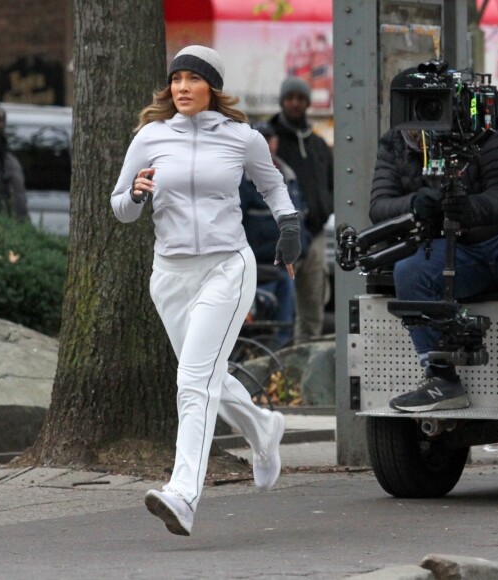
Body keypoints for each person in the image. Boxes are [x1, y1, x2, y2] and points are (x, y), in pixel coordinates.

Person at [110, 45, 301, 536]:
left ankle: (183, 494)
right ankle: (263, 429)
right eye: (176, 80)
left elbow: (272, 184)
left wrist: (289, 225)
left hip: (226, 268)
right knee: (205, 376)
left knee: (193, 382)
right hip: (170, 275)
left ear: (211, 88)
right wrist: (134, 192)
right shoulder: (151, 136)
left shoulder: (241, 138)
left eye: (193, 79)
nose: (182, 88)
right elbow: (120, 207)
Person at [369, 66, 498, 416]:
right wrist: (415, 206)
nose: (425, 121)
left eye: (435, 105)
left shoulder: (493, 130)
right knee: (410, 272)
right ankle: (441, 379)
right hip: (458, 252)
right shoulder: (394, 144)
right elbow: (379, 206)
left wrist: (466, 208)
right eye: (416, 108)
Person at [270, 77, 333, 340]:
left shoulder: (317, 144)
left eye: (300, 98)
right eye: (290, 98)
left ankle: (304, 367)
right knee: (281, 309)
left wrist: (325, 207)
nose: (295, 103)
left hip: (316, 236)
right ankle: (279, 367)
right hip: (284, 235)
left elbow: (331, 181)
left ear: (307, 102)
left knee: (312, 306)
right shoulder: (271, 141)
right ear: (282, 101)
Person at [239, 120, 311, 348]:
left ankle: (281, 361)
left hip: (284, 267)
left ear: (275, 142)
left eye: (267, 139)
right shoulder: (240, 181)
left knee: (286, 323)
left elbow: (299, 214)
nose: (264, 145)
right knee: (253, 329)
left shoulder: (287, 175)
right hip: (253, 268)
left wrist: (302, 247)